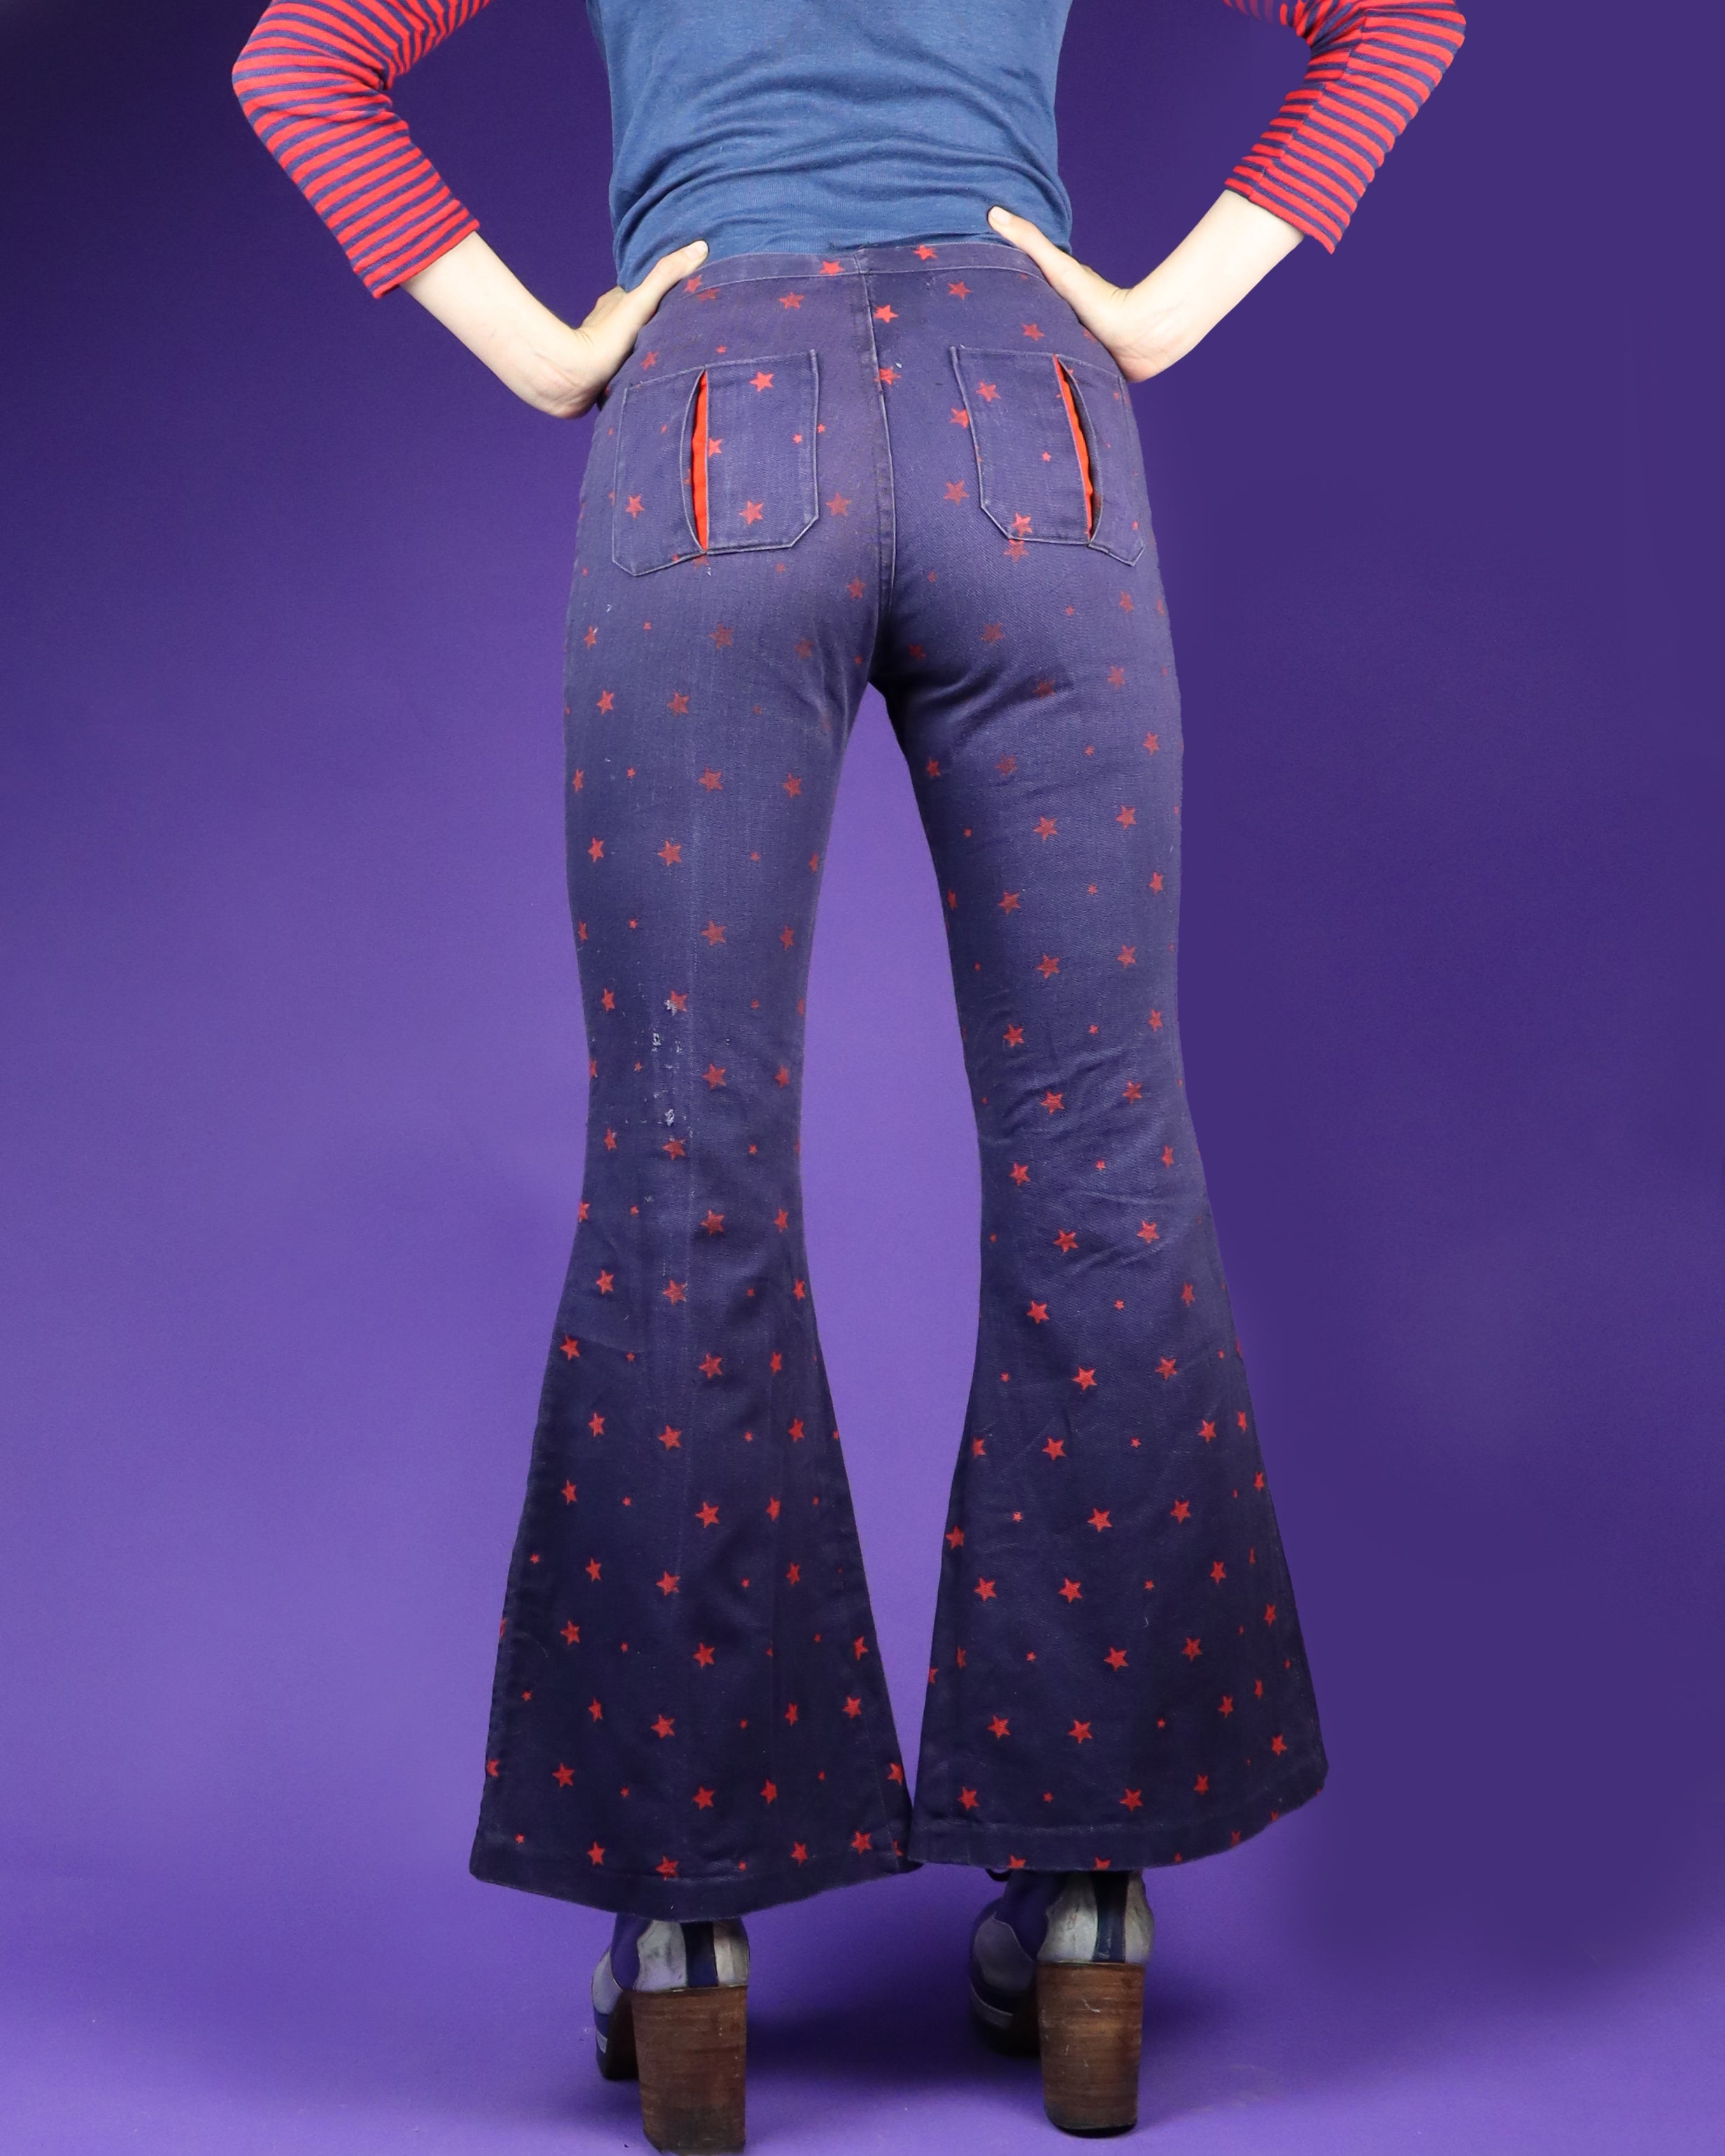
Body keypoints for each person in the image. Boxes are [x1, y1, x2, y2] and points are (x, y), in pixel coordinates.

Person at [232, 4, 1465, 2147]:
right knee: (1099, 1148)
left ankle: (685, 1925)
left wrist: (545, 350)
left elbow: (301, 63)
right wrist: (1158, 308)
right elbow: (1398, 16)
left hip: (714, 417)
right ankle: (1089, 1889)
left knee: (680, 1162)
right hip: (1031, 423)